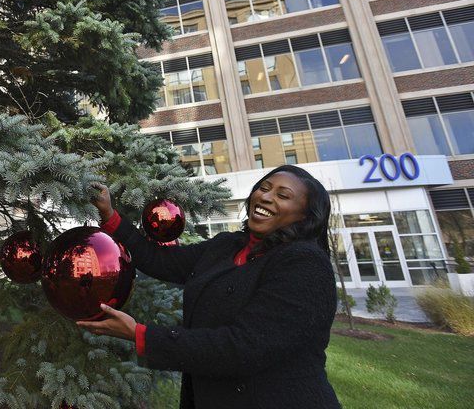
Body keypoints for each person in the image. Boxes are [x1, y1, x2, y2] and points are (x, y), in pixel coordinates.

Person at [80, 165, 341, 408]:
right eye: (263, 188)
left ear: (305, 216)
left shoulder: (305, 264)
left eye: (283, 195)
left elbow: (244, 348)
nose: (266, 197)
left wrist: (142, 336)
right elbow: (161, 261)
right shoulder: (228, 245)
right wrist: (110, 216)